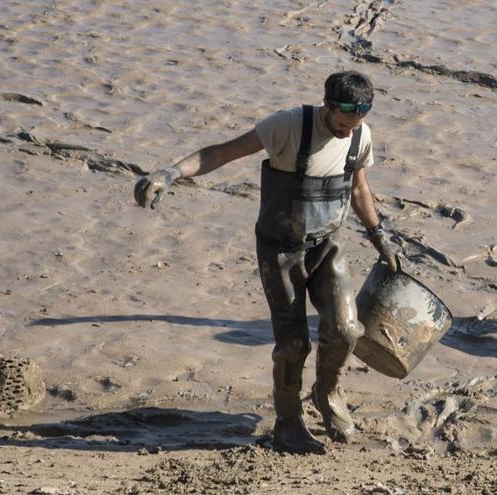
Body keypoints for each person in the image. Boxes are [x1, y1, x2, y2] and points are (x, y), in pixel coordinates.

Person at [133, 71, 399, 453]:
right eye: (341, 124)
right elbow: (221, 152)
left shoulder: (360, 135)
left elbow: (359, 189)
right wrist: (170, 173)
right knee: (292, 344)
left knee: (346, 330)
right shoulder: (287, 125)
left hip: (327, 245)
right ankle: (288, 423)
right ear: (326, 105)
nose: (346, 132)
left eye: (353, 125)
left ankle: (328, 393)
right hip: (280, 249)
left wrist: (380, 238)